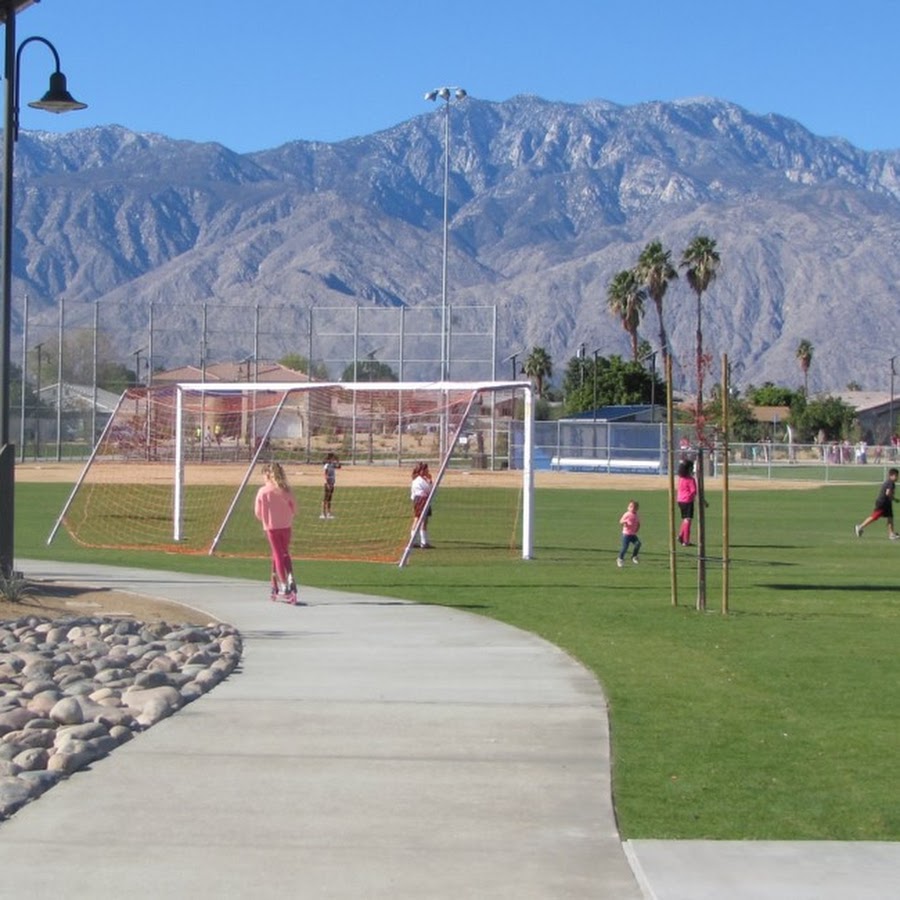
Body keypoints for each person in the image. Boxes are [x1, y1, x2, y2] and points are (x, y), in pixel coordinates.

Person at [254, 462, 299, 602]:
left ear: (267, 475)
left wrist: (265, 518)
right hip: (286, 525)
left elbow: (258, 512)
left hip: (271, 527)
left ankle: (283, 583)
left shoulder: (263, 491)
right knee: (284, 552)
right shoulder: (286, 490)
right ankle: (287, 577)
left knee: (278, 554)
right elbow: (294, 509)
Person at [854, 468, 900, 540]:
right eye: (896, 476)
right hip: (883, 502)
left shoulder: (890, 482)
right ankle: (860, 527)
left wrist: (893, 499)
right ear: (892, 475)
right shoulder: (890, 482)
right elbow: (887, 493)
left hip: (887, 503)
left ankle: (891, 534)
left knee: (890, 517)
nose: (897, 477)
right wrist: (894, 499)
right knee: (874, 516)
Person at [410, 461, 434, 549]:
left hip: (417, 499)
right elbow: (429, 490)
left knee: (417, 519)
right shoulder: (421, 480)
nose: (428, 471)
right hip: (422, 499)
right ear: (422, 471)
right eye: (426, 469)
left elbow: (412, 492)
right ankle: (423, 542)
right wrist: (430, 481)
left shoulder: (415, 479)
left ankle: (414, 540)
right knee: (423, 521)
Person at [677, 459, 698, 546]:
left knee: (685, 519)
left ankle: (681, 535)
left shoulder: (681, 478)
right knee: (688, 520)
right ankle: (686, 540)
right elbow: (693, 491)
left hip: (680, 500)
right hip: (688, 501)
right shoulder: (690, 480)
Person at [617, 500, 641, 567]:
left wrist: (637, 528)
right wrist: (624, 523)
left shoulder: (636, 515)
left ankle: (634, 556)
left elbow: (638, 523)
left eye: (634, 507)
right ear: (628, 507)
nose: (632, 508)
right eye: (630, 506)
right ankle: (620, 559)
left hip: (633, 534)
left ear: (637, 508)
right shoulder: (627, 514)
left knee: (638, 544)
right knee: (625, 547)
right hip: (626, 534)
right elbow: (621, 521)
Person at [321, 452, 341, 519]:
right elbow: (325, 474)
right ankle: (323, 514)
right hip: (328, 483)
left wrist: (338, 460)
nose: (333, 459)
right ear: (330, 458)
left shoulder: (332, 464)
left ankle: (329, 513)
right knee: (325, 499)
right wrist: (327, 483)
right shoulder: (326, 465)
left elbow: (339, 467)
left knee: (329, 499)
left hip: (332, 483)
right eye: (333, 458)